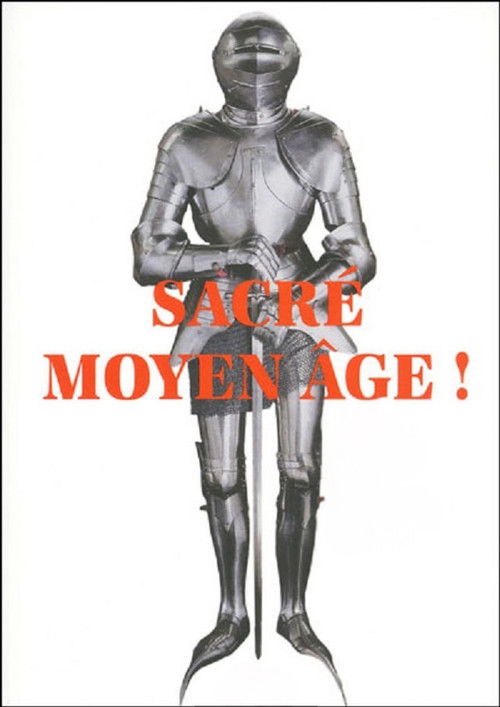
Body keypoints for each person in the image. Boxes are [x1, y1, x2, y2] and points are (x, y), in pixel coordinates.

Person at [131, 13, 376, 705]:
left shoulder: (320, 139)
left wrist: (301, 293)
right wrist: (230, 256)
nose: (259, 64)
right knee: (219, 473)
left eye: (270, 52)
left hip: (296, 309)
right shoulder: (187, 141)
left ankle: (293, 611)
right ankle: (232, 613)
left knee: (299, 468)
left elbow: (358, 252)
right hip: (217, 312)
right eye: (247, 52)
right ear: (220, 61)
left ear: (291, 60)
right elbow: (148, 254)